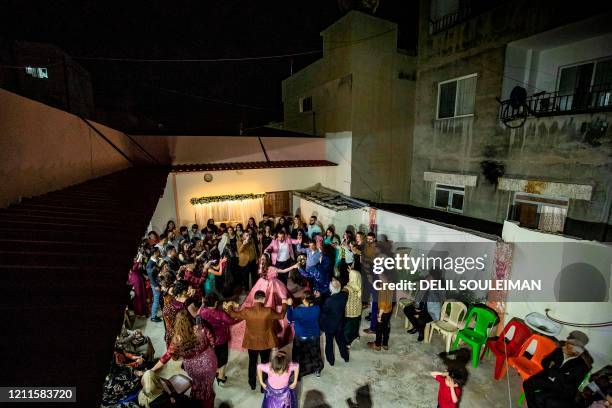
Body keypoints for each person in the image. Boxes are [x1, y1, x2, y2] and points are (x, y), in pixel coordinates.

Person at [224, 290, 289, 390]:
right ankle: (264, 386)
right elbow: (281, 315)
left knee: (252, 362)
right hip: (265, 342)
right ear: (264, 299)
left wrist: (229, 306)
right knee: (265, 363)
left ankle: (252, 384)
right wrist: (284, 304)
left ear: (254, 299)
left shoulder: (247, 311)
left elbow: (233, 314)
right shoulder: (268, 311)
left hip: (252, 342)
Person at [152, 311, 217, 408]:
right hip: (209, 361)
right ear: (191, 319)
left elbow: (166, 356)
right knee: (207, 385)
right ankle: (208, 401)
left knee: (198, 383)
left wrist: (153, 369)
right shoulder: (202, 329)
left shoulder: (177, 339)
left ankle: (198, 400)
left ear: (177, 324)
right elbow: (213, 341)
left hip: (193, 367)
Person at [524, 331, 592, 408]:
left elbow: (570, 385)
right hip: (547, 378)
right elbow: (545, 361)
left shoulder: (581, 366)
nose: (566, 345)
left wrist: (554, 371)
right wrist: (555, 371)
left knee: (540, 397)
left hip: (560, 388)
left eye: (570, 344)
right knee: (527, 384)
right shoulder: (559, 351)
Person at [198, 293, 235, 386]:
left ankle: (214, 372)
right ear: (216, 303)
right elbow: (231, 321)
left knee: (213, 356)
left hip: (208, 339)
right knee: (223, 358)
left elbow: (197, 316)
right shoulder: (221, 314)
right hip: (221, 339)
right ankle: (221, 377)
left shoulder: (202, 311)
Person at [287, 292, 323, 378]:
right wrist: (318, 298)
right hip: (314, 335)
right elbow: (318, 303)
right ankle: (317, 370)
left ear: (304, 300)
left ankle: (298, 373)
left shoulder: (298, 311)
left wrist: (289, 306)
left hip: (301, 335)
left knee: (299, 354)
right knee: (315, 353)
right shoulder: (317, 308)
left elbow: (290, 318)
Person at [319, 278, 349, 366]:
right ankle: (345, 357)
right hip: (339, 324)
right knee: (341, 341)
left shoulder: (329, 301)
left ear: (331, 289)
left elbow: (323, 312)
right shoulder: (344, 296)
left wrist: (319, 298)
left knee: (329, 343)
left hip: (330, 326)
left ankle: (331, 361)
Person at [367, 272, 394, 351]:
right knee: (386, 327)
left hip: (383, 311)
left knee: (379, 329)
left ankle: (377, 345)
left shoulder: (383, 287)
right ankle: (385, 344)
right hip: (389, 310)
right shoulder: (390, 284)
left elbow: (382, 303)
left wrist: (379, 315)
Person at [343, 269, 362, 348]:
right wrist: (352, 271)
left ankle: (347, 342)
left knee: (347, 327)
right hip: (357, 309)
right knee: (356, 323)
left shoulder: (347, 288)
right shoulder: (359, 285)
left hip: (349, 311)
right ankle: (356, 336)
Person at [146, 248, 162, 322]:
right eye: (158, 251)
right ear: (155, 253)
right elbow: (150, 276)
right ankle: (153, 316)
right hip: (155, 284)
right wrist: (155, 286)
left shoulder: (156, 260)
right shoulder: (150, 263)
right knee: (156, 300)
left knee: (158, 299)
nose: (160, 252)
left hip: (158, 282)